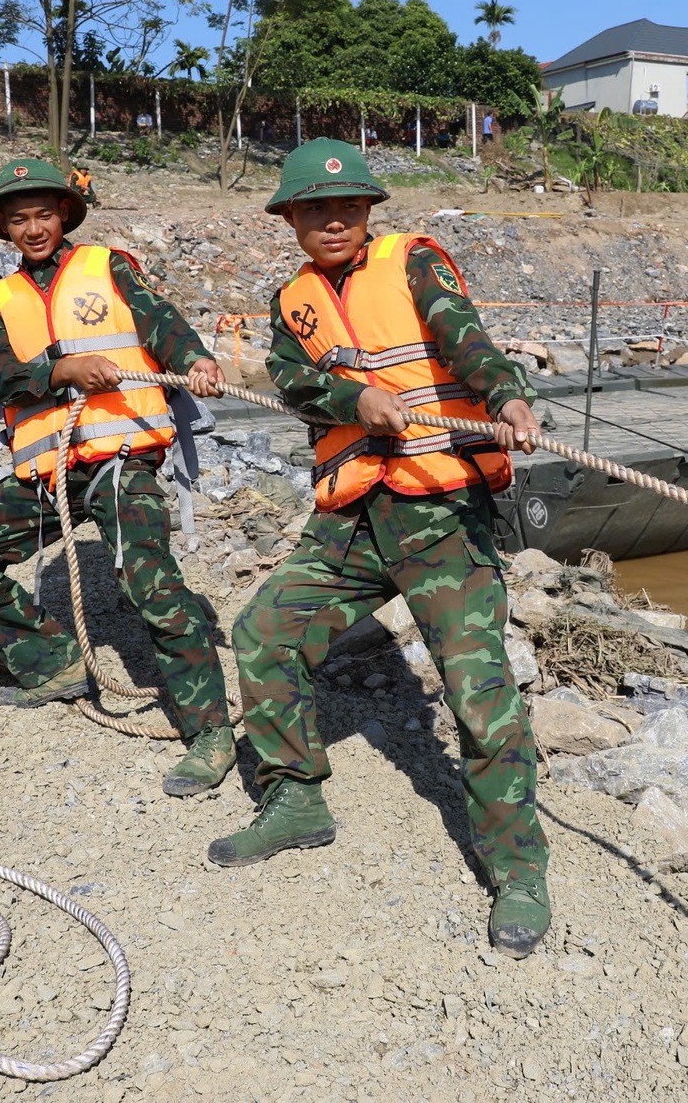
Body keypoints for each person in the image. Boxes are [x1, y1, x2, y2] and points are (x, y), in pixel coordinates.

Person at [206, 138, 551, 958]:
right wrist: (355, 396)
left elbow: (467, 339)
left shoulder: (416, 265)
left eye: (349, 208)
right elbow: (293, 381)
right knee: (264, 634)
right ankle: (296, 801)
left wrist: (509, 398)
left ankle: (518, 871)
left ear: (367, 213)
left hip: (440, 516)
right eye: (316, 210)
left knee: (478, 694)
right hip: (354, 518)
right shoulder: (291, 301)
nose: (334, 220)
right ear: (290, 219)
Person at [0, 161, 238, 795]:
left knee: (148, 585)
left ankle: (210, 733)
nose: (34, 228)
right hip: (48, 469)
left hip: (122, 454)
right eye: (19, 220)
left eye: (44, 214)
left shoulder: (108, 266)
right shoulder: (2, 299)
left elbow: (161, 322)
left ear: (64, 216)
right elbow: (1, 376)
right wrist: (62, 367)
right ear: (5, 229)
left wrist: (197, 359)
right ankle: (54, 662)